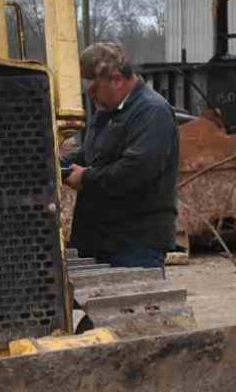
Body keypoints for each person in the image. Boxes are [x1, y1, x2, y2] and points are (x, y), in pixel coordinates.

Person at [61, 41, 179, 268]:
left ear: (116, 78)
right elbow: (90, 155)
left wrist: (85, 178)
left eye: (95, 89)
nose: (92, 97)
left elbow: (136, 171)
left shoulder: (151, 111)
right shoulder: (109, 110)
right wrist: (53, 166)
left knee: (137, 303)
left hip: (134, 244)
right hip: (102, 240)